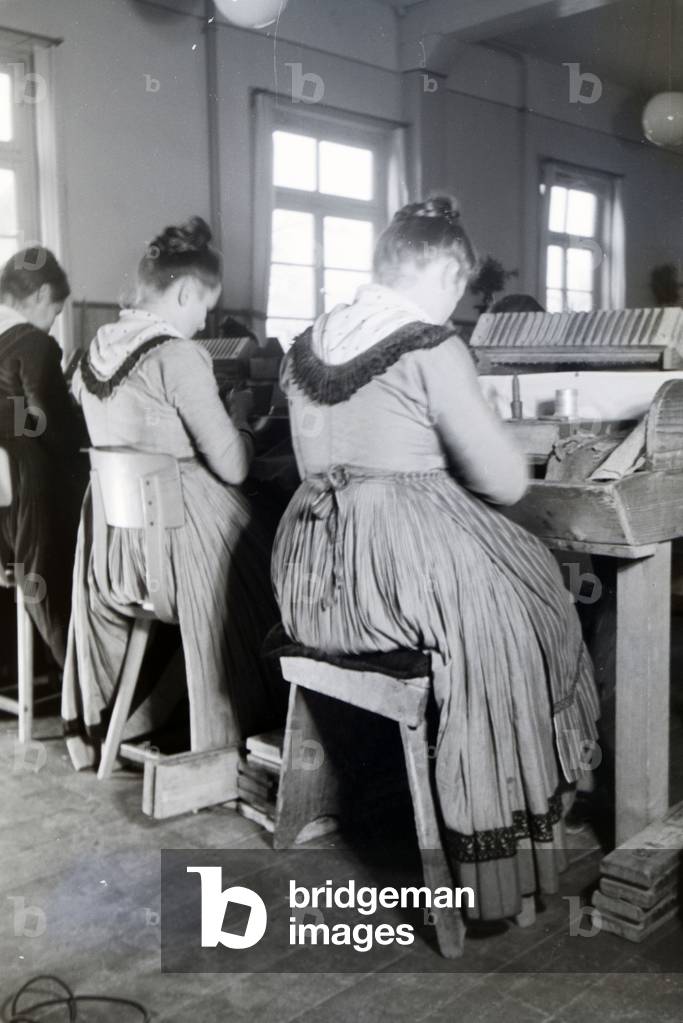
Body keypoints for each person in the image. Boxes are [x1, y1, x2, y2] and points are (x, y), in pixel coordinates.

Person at [271, 197, 600, 921]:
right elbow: (505, 482)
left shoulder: (306, 345)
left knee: (497, 591)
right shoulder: (427, 345)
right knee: (533, 599)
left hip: (310, 580)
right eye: (457, 287)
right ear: (445, 271)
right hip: (392, 575)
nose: (456, 304)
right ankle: (517, 829)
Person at [62, 216, 283, 769]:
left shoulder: (94, 352)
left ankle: (152, 720)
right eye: (204, 304)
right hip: (181, 553)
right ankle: (258, 730)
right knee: (280, 549)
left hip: (118, 555)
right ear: (184, 290)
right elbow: (231, 467)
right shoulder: (177, 355)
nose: (205, 317)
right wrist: (247, 428)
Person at [0, 247, 85, 666]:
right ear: (41, 294)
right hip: (26, 494)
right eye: (54, 311)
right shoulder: (34, 343)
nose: (52, 322)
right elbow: (53, 428)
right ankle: (84, 706)